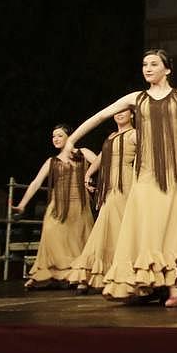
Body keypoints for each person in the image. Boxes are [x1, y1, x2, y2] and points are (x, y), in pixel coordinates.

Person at [64, 49, 177, 307]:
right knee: (149, 225)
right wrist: (72, 139)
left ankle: (175, 285)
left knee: (173, 225)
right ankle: (148, 283)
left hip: (175, 170)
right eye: (144, 65)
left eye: (153, 64)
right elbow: (100, 116)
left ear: (167, 69)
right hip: (147, 172)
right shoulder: (136, 98)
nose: (147, 68)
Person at [13, 125, 97, 289]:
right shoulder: (51, 161)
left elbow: (101, 162)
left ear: (69, 136)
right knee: (51, 235)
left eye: (59, 135)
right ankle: (43, 274)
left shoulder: (83, 152)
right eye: (53, 136)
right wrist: (22, 204)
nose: (56, 139)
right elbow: (36, 182)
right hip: (57, 205)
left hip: (79, 202)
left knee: (79, 239)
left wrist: (89, 177)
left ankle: (81, 276)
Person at [66, 106, 137, 293]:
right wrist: (89, 173)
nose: (120, 114)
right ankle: (91, 272)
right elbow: (101, 157)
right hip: (109, 185)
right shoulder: (112, 136)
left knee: (120, 227)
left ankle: (121, 272)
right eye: (117, 111)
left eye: (124, 111)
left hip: (127, 183)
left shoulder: (136, 134)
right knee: (106, 227)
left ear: (132, 114)